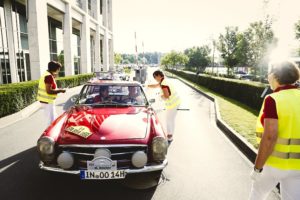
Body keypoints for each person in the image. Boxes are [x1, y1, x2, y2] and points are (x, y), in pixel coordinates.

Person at [249, 60, 300, 200]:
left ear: (277, 76)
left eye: (269, 73)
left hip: (273, 164)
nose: (268, 77)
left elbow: (270, 136)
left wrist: (257, 168)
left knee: (257, 194)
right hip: (298, 168)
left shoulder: (272, 99)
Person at [147, 70, 181, 142]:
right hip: (176, 102)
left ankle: (169, 136)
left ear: (159, 76)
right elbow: (156, 85)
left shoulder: (163, 84)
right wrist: (147, 86)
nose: (154, 78)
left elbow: (166, 96)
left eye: (155, 77)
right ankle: (171, 134)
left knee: (168, 120)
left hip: (172, 104)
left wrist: (160, 96)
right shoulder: (164, 80)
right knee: (171, 119)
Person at [37, 61, 66, 125]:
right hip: (47, 101)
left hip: (46, 101)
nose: (59, 70)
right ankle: (49, 134)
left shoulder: (47, 74)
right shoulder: (49, 76)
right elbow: (49, 91)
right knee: (51, 121)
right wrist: (60, 91)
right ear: (55, 69)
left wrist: (58, 89)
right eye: (58, 69)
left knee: (54, 118)